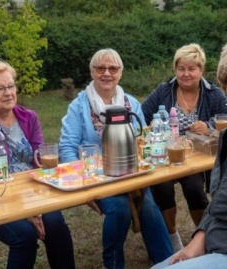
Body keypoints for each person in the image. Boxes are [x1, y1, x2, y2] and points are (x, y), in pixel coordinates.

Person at [59, 49, 172, 269]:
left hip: (131, 176)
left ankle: (168, 263)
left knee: (148, 206)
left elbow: (143, 141)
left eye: (113, 68)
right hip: (97, 179)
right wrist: (83, 186)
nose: (107, 73)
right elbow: (67, 147)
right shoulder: (79, 106)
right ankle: (111, 263)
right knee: (119, 209)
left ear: (120, 73)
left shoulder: (130, 102)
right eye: (100, 68)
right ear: (92, 72)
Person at [0, 61, 75, 269]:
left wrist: (34, 207)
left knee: (56, 226)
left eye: (11, 86)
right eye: (0, 88)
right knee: (24, 237)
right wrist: (25, 212)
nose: (8, 92)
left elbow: (39, 159)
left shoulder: (29, 117)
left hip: (32, 191)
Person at [142, 43, 227, 252]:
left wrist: (207, 127)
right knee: (162, 187)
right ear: (175, 70)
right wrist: (151, 128)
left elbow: (224, 121)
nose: (186, 74)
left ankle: (202, 237)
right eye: (181, 68)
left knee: (194, 188)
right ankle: (172, 237)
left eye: (192, 68)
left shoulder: (214, 94)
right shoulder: (163, 91)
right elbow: (141, 116)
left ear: (202, 71)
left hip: (195, 159)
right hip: (165, 156)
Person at [150, 129, 227, 269]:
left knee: (193, 186)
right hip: (215, 238)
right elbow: (218, 202)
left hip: (221, 246)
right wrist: (201, 235)